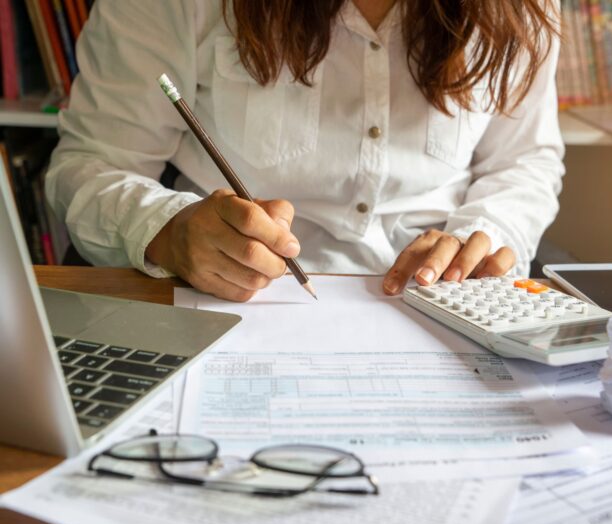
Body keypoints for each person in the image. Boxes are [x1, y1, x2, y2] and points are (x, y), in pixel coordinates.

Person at [46, 0, 564, 302]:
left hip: (442, 305)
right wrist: (167, 229)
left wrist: (483, 238)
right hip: (226, 304)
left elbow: (524, 162)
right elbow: (91, 163)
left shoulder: (520, 9)